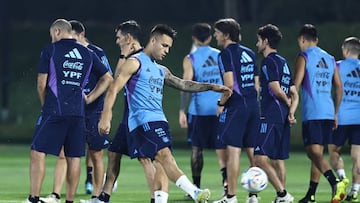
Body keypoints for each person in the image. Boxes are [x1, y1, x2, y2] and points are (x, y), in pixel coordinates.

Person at [98, 24, 232, 203]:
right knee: (164, 156)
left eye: (169, 47)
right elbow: (113, 89)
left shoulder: (161, 70)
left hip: (160, 120)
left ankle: (159, 200)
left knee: (161, 162)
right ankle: (195, 192)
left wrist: (211, 87)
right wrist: (106, 116)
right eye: (164, 45)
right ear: (153, 41)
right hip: (143, 121)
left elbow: (184, 84)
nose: (167, 50)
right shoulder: (135, 62)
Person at [22, 18, 112, 203]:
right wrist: (90, 97)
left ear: (57, 32)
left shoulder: (51, 50)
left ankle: (34, 198)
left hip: (55, 109)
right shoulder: (87, 53)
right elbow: (107, 78)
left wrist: (45, 104)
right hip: (78, 113)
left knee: (37, 152)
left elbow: (41, 84)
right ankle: (69, 200)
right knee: (74, 156)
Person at [93, 20, 166, 203]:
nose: (117, 41)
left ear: (127, 37)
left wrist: (106, 116)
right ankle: (104, 197)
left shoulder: (138, 59)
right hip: (128, 116)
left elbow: (115, 83)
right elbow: (116, 79)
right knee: (114, 152)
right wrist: (123, 53)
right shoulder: (132, 56)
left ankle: (154, 198)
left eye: (119, 38)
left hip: (137, 117)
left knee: (145, 158)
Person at [293, 24, 347, 203]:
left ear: (302, 39)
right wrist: (336, 112)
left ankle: (335, 182)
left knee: (313, 152)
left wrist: (290, 107)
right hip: (329, 111)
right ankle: (311, 194)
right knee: (318, 153)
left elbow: (296, 85)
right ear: (317, 40)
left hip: (313, 111)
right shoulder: (330, 59)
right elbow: (339, 87)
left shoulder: (304, 56)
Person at [212, 18, 260, 203]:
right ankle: (253, 195)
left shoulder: (224, 54)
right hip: (253, 105)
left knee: (233, 152)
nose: (215, 35)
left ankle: (230, 197)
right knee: (251, 152)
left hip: (237, 107)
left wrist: (221, 103)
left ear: (225, 35)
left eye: (217, 32)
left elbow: (229, 85)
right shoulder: (249, 52)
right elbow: (256, 85)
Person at [178, 23, 224, 197]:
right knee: (223, 149)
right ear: (211, 37)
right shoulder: (220, 55)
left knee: (197, 150)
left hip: (198, 111)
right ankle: (227, 189)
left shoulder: (190, 58)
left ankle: (195, 188)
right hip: (219, 109)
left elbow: (186, 85)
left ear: (194, 38)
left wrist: (182, 110)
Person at [254, 24, 298, 203]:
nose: (256, 44)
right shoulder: (284, 63)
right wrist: (291, 112)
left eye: (258, 40)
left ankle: (282, 194)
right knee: (278, 159)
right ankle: (282, 198)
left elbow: (276, 89)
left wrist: (286, 104)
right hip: (282, 117)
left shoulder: (269, 62)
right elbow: (294, 93)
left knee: (259, 158)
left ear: (265, 41)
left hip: (271, 114)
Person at [328, 36, 360, 202]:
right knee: (358, 155)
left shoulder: (338, 66)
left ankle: (342, 178)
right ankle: (355, 190)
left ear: (346, 50)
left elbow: (330, 86)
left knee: (333, 151)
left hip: (342, 116)